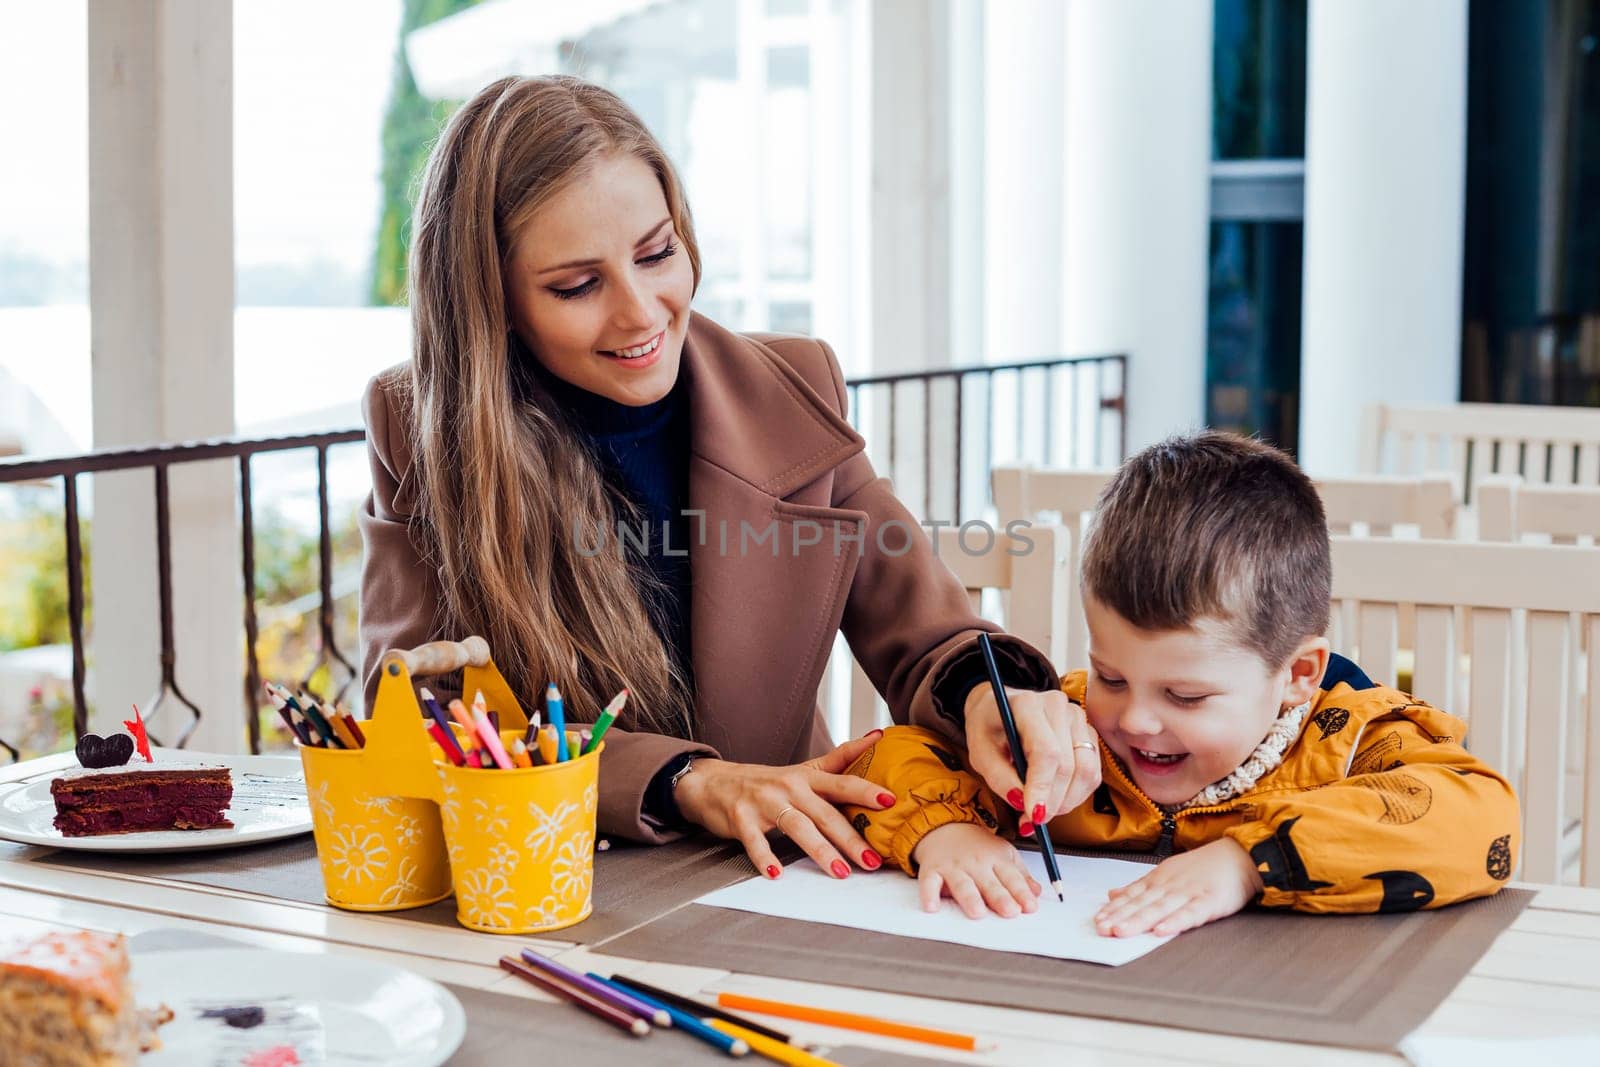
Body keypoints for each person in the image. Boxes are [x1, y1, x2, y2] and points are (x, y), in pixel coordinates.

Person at [357, 74, 1100, 880]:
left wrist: (992, 695)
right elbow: (418, 713)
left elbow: (929, 638)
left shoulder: (795, 389)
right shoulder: (422, 427)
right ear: (490, 301)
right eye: (577, 285)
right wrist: (684, 780)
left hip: (802, 872)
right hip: (553, 882)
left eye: (656, 253)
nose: (642, 311)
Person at [843, 431, 1520, 933]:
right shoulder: (1065, 734)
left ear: (1298, 674)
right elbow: (886, 757)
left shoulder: (1353, 744)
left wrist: (1248, 862)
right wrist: (944, 832)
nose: (1134, 719)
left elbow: (1482, 818)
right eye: (1111, 674)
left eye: (1186, 696)